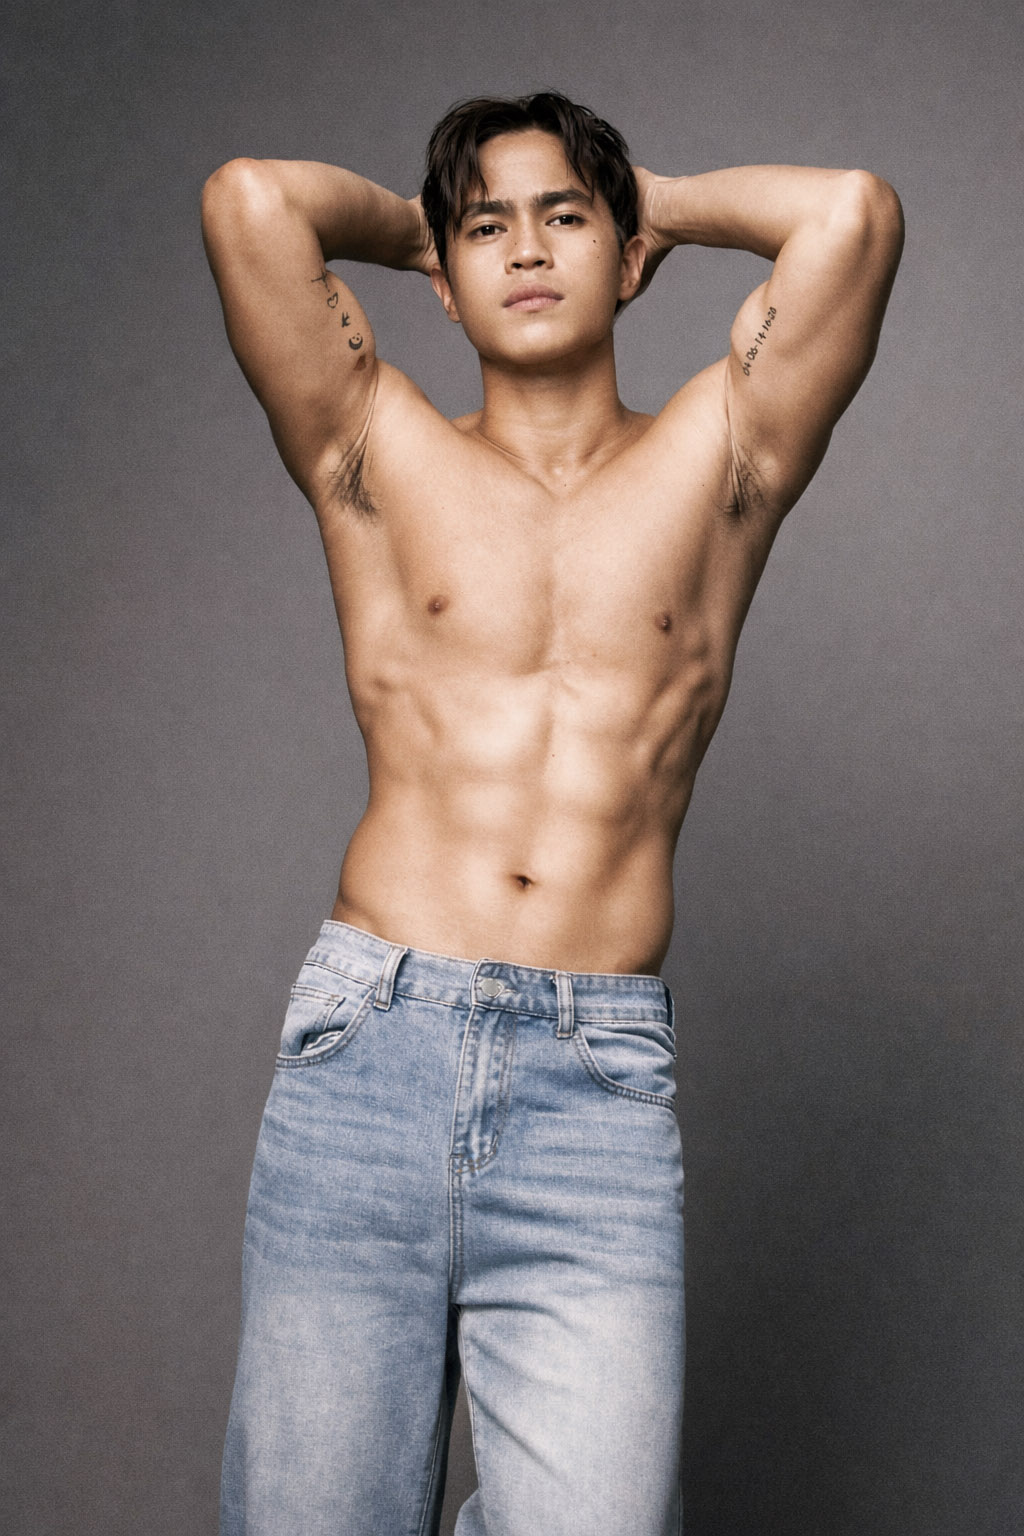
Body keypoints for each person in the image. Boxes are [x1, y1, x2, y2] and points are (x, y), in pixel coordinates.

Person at [202, 91, 903, 1536]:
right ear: (445, 274)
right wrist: (428, 227)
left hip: (594, 1088)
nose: (526, 250)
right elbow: (250, 203)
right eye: (488, 229)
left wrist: (649, 199)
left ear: (629, 256)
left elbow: (853, 216)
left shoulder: (722, 453)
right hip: (369, 1051)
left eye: (564, 218)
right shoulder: (374, 443)